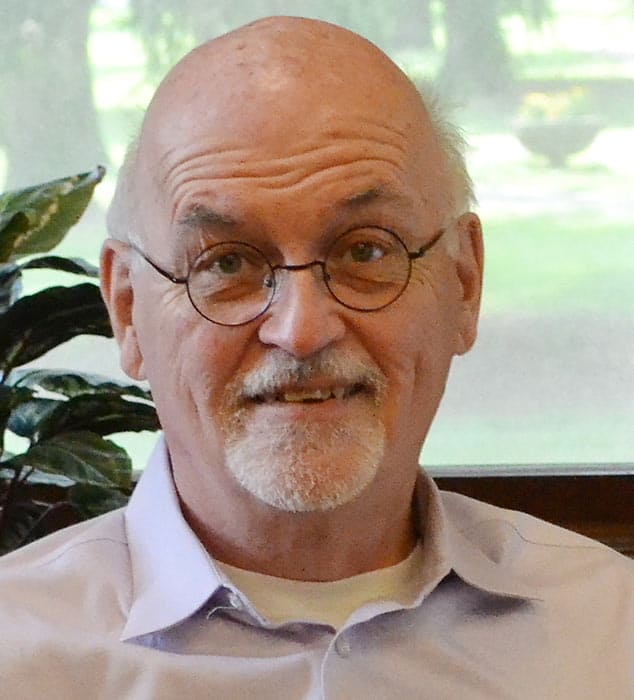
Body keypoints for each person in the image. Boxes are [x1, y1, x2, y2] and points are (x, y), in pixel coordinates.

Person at [0, 16, 632, 699]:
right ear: (127, 310)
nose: (301, 330)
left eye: (366, 250)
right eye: (227, 263)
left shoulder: (610, 631)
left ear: (464, 283)